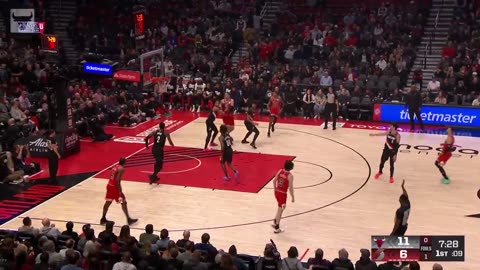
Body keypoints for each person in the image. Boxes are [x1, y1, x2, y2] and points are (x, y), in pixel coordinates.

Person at [100, 157, 138, 225]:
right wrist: (120, 191)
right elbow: (117, 180)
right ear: (124, 162)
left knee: (108, 202)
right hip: (115, 188)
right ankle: (128, 219)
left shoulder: (115, 167)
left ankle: (103, 218)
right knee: (123, 202)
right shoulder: (121, 169)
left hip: (109, 186)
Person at [272, 160, 295, 233]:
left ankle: (275, 221)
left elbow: (274, 181)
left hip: (277, 192)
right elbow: (290, 188)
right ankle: (277, 227)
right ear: (291, 168)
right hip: (282, 193)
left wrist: (275, 189)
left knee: (279, 207)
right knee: (280, 210)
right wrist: (292, 197)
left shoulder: (280, 171)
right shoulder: (290, 176)